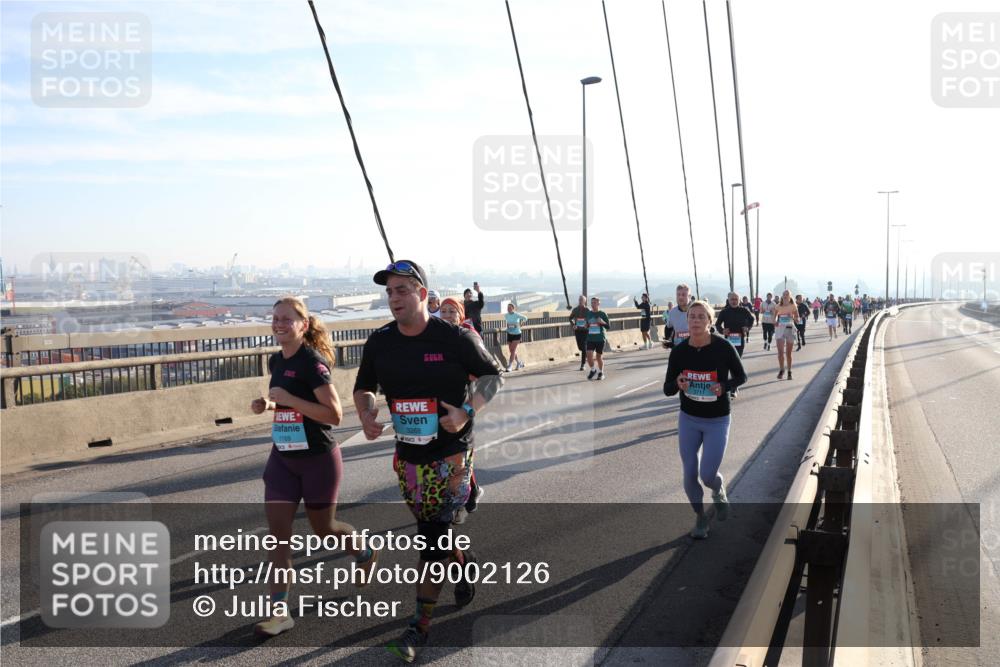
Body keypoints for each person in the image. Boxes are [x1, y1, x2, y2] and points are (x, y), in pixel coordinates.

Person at [353, 260, 503, 663]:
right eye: (389, 292)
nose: (394, 298)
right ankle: (464, 561)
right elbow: (364, 387)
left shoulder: (453, 337)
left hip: (451, 456)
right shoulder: (380, 342)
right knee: (434, 529)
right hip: (408, 460)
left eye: (402, 290)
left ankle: (417, 629)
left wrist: (465, 412)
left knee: (431, 541)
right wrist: (366, 414)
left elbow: (493, 377)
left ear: (422, 295)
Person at [251, 296, 378, 638]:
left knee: (325, 530)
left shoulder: (313, 362)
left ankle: (364, 552)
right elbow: (286, 403)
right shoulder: (276, 360)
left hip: (318, 461)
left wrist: (288, 399)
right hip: (283, 459)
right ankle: (280, 613)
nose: (278, 323)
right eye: (274, 317)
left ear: (303, 325)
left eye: (286, 319)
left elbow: (333, 415)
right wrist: (268, 404)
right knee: (279, 539)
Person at [663, 300, 747, 539]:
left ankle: (719, 491)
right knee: (689, 473)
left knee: (708, 474)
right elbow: (668, 388)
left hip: (717, 420)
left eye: (701, 317)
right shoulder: (679, 352)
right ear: (687, 321)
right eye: (692, 316)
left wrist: (724, 386)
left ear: (710, 322)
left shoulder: (723, 347)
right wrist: (677, 384)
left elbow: (742, 376)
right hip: (689, 419)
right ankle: (700, 518)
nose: (696, 320)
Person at [436, 297, 487, 520]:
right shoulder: (433, 337)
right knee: (448, 458)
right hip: (439, 406)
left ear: (461, 315)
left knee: (459, 458)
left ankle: (458, 506)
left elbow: (487, 373)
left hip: (464, 405)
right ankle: (470, 491)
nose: (447, 315)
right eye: (443, 311)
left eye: (451, 311)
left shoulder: (468, 337)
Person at [715, 292, 754, 399]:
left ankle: (734, 387)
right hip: (728, 341)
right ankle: (728, 386)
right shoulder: (725, 312)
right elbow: (717, 324)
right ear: (728, 300)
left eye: (736, 299)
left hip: (739, 340)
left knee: (735, 362)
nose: (734, 301)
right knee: (727, 364)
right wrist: (722, 330)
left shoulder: (744, 310)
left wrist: (747, 327)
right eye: (732, 299)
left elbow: (752, 319)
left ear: (739, 300)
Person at [774, 291, 800, 379]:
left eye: (786, 295)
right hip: (780, 330)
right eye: (784, 295)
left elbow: (797, 320)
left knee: (788, 353)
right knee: (780, 353)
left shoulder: (793, 306)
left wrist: (792, 317)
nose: (785, 296)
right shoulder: (778, 306)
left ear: (790, 296)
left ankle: (789, 371)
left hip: (789, 329)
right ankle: (782, 369)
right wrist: (775, 321)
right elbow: (775, 317)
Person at [585, 296, 611, 380]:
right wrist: (586, 325)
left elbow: (608, 326)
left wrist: (602, 322)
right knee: (588, 355)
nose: (593, 304)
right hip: (590, 338)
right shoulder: (589, 313)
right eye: (592, 303)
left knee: (598, 357)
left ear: (598, 303)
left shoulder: (603, 314)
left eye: (595, 303)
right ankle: (593, 370)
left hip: (600, 338)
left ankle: (601, 372)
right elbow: (587, 324)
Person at [663, 285, 692, 349]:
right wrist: (668, 341)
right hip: (677, 349)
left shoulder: (698, 310)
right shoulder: (672, 312)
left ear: (689, 296)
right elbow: (668, 327)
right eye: (678, 295)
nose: (680, 297)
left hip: (695, 349)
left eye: (683, 295)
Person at [503, 303, 528, 371]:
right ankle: (519, 363)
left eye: (510, 308)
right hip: (509, 334)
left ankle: (510, 366)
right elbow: (508, 324)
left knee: (513, 350)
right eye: (508, 308)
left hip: (517, 334)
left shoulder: (516, 314)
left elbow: (525, 318)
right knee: (511, 351)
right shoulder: (506, 315)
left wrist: (521, 324)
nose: (509, 309)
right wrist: (508, 327)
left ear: (513, 308)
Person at [569, 295, 589, 371]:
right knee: (580, 347)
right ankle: (586, 352)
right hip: (577, 330)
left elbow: (591, 319)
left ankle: (583, 364)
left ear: (585, 301)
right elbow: (570, 318)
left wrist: (587, 324)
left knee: (583, 347)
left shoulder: (587, 310)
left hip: (585, 331)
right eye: (579, 299)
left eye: (582, 300)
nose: (580, 301)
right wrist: (573, 324)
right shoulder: (575, 310)